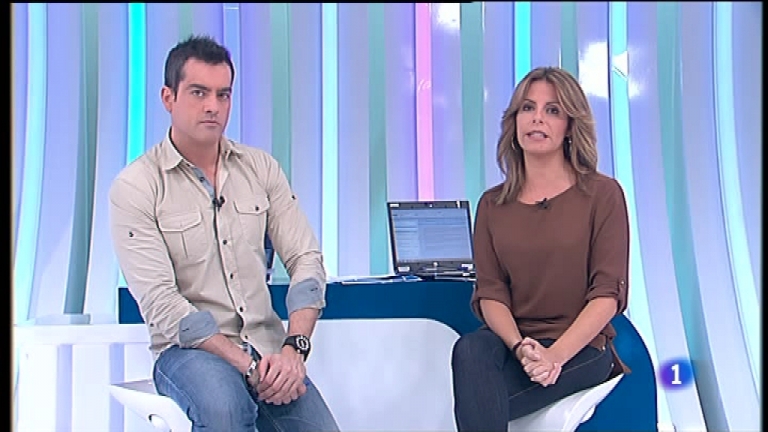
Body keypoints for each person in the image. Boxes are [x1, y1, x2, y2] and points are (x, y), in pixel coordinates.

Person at [109, 34, 340, 432]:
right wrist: (246, 365)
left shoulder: (260, 169)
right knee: (226, 411)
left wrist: (294, 348)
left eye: (223, 94)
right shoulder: (137, 186)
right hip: (190, 351)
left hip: (267, 346)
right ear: (168, 97)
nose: (213, 106)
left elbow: (306, 259)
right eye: (199, 93)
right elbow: (162, 302)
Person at [451, 66, 631, 431]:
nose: (537, 118)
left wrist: (554, 357)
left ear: (570, 126)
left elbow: (607, 294)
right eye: (528, 108)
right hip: (515, 345)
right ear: (514, 122)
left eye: (552, 110)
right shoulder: (492, 205)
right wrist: (520, 347)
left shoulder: (602, 194)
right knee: (470, 349)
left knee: (478, 401)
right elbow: (491, 292)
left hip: (579, 347)